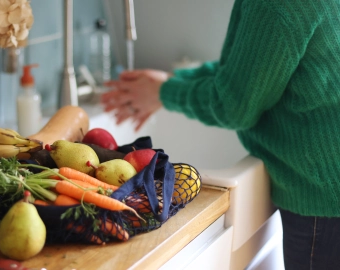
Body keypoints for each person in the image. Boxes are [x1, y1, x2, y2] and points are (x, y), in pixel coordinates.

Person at [100, 1, 340, 269]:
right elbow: (245, 71)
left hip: (324, 197)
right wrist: (168, 85)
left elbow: (234, 106)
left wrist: (165, 91)